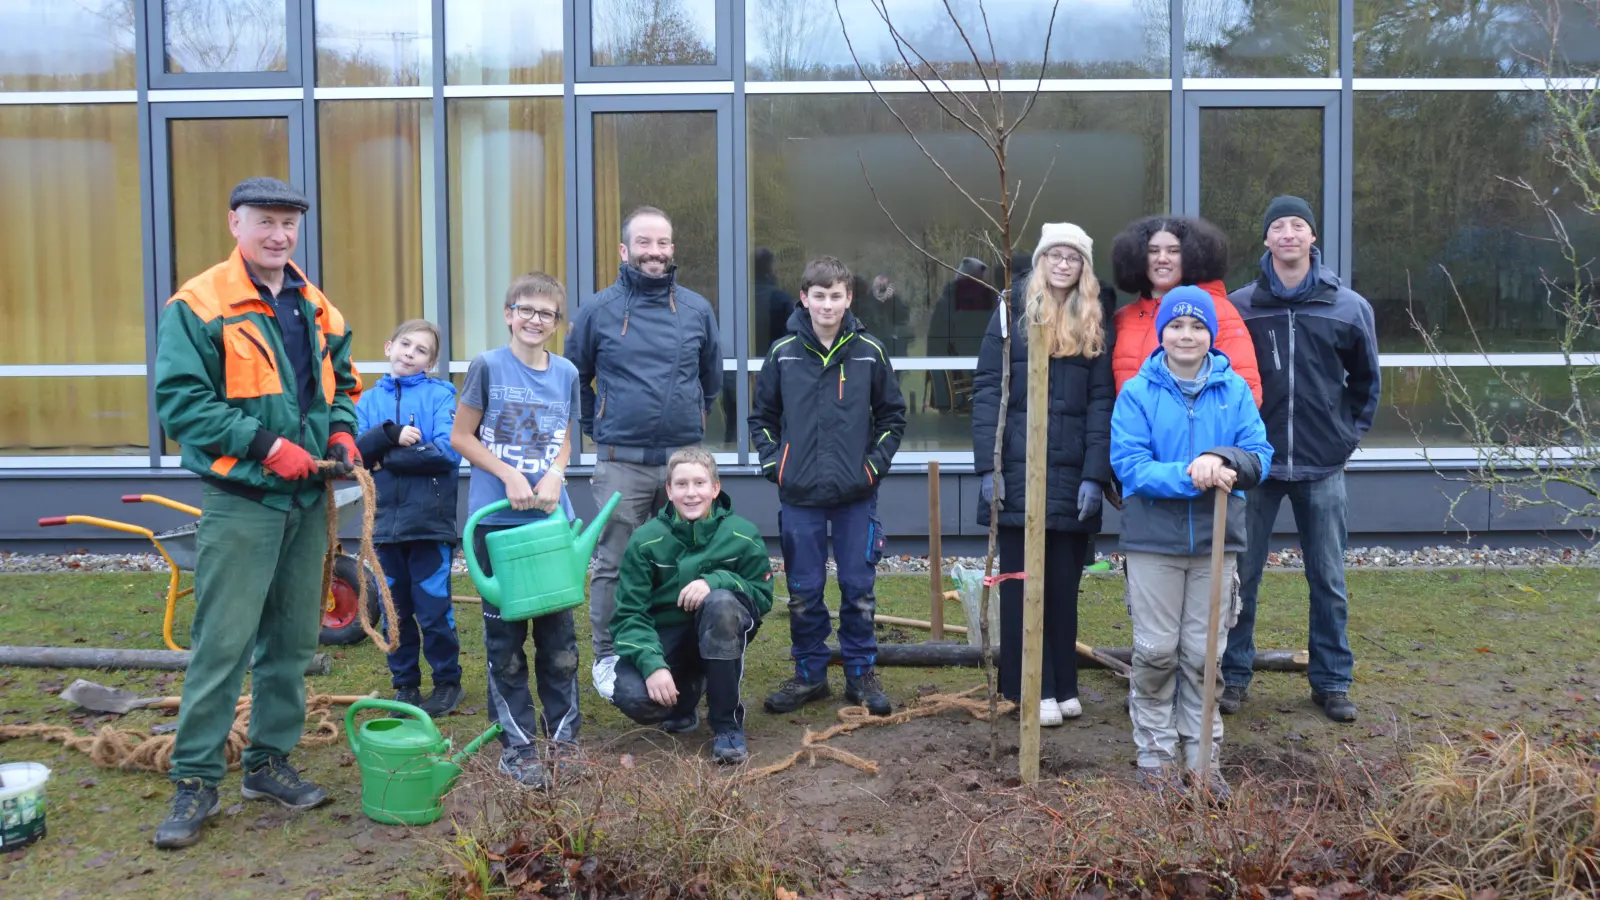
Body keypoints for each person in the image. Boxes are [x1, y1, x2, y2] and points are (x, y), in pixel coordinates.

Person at [151, 176, 362, 848]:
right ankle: (195, 780)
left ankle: (268, 762)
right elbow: (182, 404)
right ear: (234, 224)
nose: (279, 235)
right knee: (223, 644)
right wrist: (266, 445)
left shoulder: (313, 303)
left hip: (307, 501)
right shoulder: (199, 303)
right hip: (244, 500)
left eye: (289, 224)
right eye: (266, 222)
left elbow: (343, 380)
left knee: (294, 643)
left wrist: (341, 431)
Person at [1221, 196, 1380, 724]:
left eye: (1298, 225)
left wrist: (1345, 439)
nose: (1288, 234)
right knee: (1241, 576)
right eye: (1278, 226)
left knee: (1328, 578)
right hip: (1256, 465)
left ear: (1312, 237)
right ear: (1266, 239)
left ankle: (1332, 682)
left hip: (1321, 465)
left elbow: (1366, 383)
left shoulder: (1349, 307)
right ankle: (1233, 676)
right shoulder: (1243, 307)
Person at [1110, 285, 1272, 800]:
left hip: (1215, 543)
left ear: (1211, 334)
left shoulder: (1234, 391)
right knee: (1157, 653)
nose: (1187, 335)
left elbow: (1259, 454)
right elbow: (1130, 467)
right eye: (1176, 326)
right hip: (1153, 543)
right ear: (1162, 333)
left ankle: (1203, 762)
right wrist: (1193, 472)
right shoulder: (1137, 393)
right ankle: (1156, 760)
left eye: (1197, 326)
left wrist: (1224, 458)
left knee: (1204, 658)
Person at [569, 206, 722, 700]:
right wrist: (600, 428)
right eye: (644, 243)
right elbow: (577, 380)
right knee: (616, 561)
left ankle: (678, 656)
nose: (654, 252)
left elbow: (711, 381)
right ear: (624, 250)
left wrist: (690, 430)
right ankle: (609, 656)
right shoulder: (598, 310)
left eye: (663, 243)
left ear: (673, 248)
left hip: (683, 462)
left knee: (685, 559)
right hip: (622, 462)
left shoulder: (697, 309)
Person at [750, 256, 907, 716]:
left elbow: (893, 416)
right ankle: (809, 675)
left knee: (858, 589)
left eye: (835, 295)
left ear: (848, 298)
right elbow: (762, 419)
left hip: (856, 497)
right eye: (818, 295)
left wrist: (871, 469)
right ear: (804, 298)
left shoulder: (869, 352)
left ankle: (860, 674)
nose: (827, 304)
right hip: (799, 496)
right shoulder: (783, 354)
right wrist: (776, 465)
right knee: (803, 589)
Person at [971, 223, 1115, 725]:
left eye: (1072, 257)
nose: (1062, 264)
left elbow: (1102, 404)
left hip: (1072, 473)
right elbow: (989, 390)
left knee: (1061, 586)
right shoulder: (1010, 315)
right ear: (1040, 260)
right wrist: (989, 469)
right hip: (1017, 469)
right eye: (1054, 255)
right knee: (1020, 585)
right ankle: (1028, 687)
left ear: (1084, 268)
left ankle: (1063, 683)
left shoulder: (1095, 321)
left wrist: (1095, 476)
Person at [450, 272, 583, 789]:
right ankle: (518, 746)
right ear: (508, 314)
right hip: (497, 526)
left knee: (559, 642)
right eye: (524, 309)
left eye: (545, 313)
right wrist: (507, 474)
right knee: (504, 644)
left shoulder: (567, 373)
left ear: (556, 323)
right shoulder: (487, 367)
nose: (533, 320)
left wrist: (554, 474)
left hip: (550, 526)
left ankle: (564, 740)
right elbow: (462, 436)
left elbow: (564, 440)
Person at [609, 447, 775, 765]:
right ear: (669, 491)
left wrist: (717, 581)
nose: (691, 493)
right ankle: (685, 699)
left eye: (699, 483)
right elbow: (630, 615)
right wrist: (653, 665)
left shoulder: (743, 534)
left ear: (715, 488)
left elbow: (762, 596)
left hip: (722, 626)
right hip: (668, 636)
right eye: (681, 485)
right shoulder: (645, 540)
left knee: (721, 605)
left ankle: (727, 725)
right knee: (634, 697)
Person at [354, 319, 464, 718]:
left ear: (430, 363)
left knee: (434, 610)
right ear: (388, 346)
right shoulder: (367, 402)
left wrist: (385, 459)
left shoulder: (441, 395)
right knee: (395, 613)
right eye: (405, 344)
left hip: (429, 523)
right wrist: (391, 433)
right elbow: (355, 454)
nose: (409, 354)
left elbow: (445, 452)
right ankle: (405, 686)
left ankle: (447, 682)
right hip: (382, 526)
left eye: (421, 351)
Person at [1109, 216, 1263, 406]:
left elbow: (1246, 394)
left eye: (1173, 251)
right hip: (1133, 433)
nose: (1162, 258)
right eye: (1153, 251)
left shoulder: (1217, 310)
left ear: (1191, 256)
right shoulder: (1123, 318)